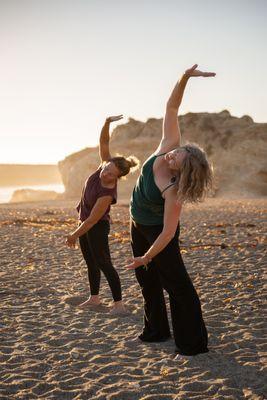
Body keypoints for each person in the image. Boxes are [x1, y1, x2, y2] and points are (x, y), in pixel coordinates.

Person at [127, 64, 215, 357]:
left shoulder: (173, 190)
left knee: (177, 285)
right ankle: (156, 332)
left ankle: (192, 343)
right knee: (147, 281)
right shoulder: (167, 145)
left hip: (157, 232)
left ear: (183, 170)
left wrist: (147, 256)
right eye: (182, 151)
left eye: (180, 159)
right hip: (137, 223)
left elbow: (167, 231)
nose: (175, 155)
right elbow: (172, 107)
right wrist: (185, 78)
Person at [66, 115, 139, 314]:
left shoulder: (107, 194)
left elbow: (91, 221)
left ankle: (119, 305)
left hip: (96, 226)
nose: (105, 174)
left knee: (104, 263)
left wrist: (74, 234)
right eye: (106, 168)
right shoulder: (104, 165)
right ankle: (94, 299)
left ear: (117, 178)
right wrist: (107, 123)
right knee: (91, 263)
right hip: (85, 222)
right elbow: (104, 142)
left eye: (110, 174)